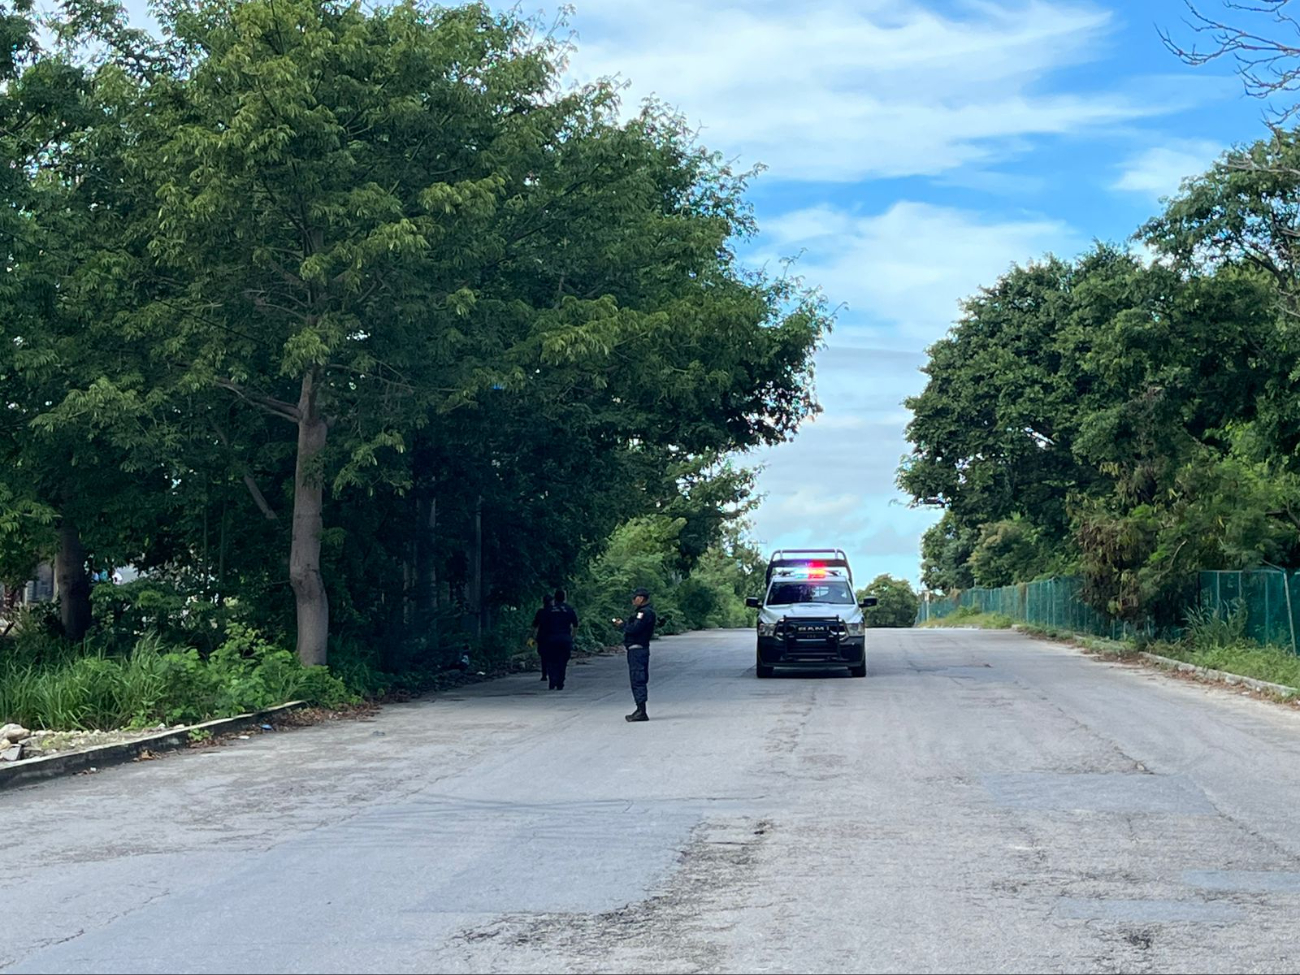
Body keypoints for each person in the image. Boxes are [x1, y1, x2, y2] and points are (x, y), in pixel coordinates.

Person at [614, 587, 656, 722]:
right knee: (639, 678)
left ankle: (641, 711)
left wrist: (622, 625)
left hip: (637, 649)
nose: (633, 600)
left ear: (641, 598)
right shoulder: (645, 613)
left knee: (637, 678)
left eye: (635, 597)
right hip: (639, 649)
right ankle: (640, 709)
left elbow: (634, 629)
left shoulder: (644, 613)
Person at [539, 588, 579, 690]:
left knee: (551, 661)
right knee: (563, 661)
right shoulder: (569, 609)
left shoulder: (549, 610)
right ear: (564, 598)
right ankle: (560, 681)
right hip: (565, 639)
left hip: (551, 639)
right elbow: (575, 625)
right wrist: (572, 637)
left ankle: (552, 680)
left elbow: (542, 625)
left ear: (555, 598)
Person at [530, 595, 553, 683]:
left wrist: (531, 636)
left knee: (544, 656)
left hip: (542, 636)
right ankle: (552, 672)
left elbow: (535, 625)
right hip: (553, 636)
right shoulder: (554, 611)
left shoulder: (540, 612)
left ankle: (544, 674)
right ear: (551, 602)